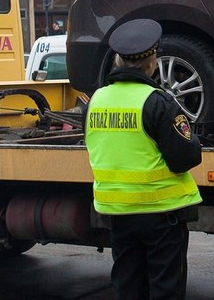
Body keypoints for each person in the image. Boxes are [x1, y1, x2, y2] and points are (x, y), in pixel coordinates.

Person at [84, 18, 203, 299]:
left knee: (128, 286)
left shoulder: (95, 101)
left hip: (118, 213)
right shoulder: (157, 101)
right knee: (165, 289)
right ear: (151, 61)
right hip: (161, 215)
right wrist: (194, 140)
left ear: (117, 60)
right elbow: (184, 157)